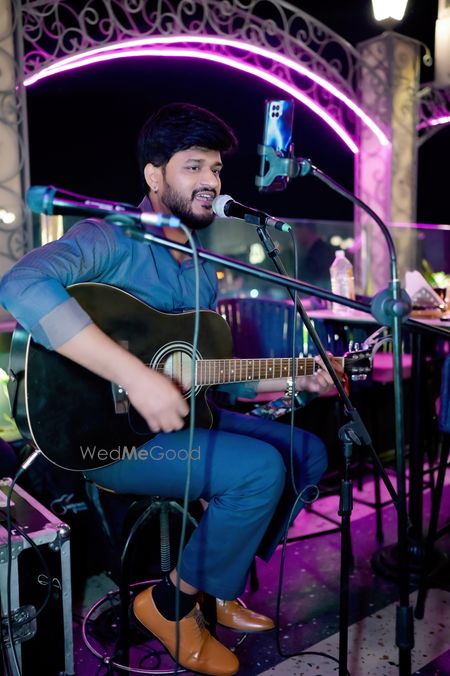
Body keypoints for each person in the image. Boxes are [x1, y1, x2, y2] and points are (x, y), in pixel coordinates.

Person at [0, 103, 332, 675]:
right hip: (106, 439)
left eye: (216, 170)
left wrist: (294, 376)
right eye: (193, 167)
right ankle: (170, 605)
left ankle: (216, 584)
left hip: (186, 419)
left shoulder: (200, 266)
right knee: (259, 470)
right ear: (154, 176)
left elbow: (204, 373)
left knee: (307, 451)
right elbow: (20, 283)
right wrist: (134, 376)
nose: (211, 181)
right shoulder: (108, 237)